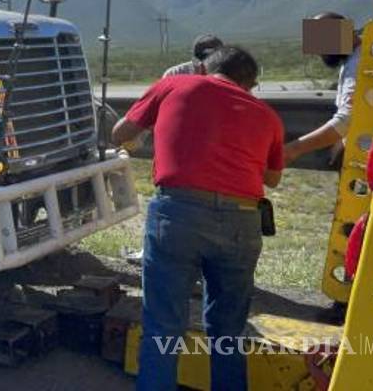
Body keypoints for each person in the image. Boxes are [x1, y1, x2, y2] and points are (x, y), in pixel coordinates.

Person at [112, 46, 284, 391]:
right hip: (243, 221)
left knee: (163, 325)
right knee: (229, 328)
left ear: (204, 69)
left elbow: (120, 133)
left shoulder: (176, 85)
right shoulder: (268, 116)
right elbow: (273, 179)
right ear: (251, 84)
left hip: (178, 214)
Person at [284, 12, 358, 165]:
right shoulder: (353, 59)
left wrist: (294, 148)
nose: (318, 53)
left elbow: (347, 120)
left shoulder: (358, 63)